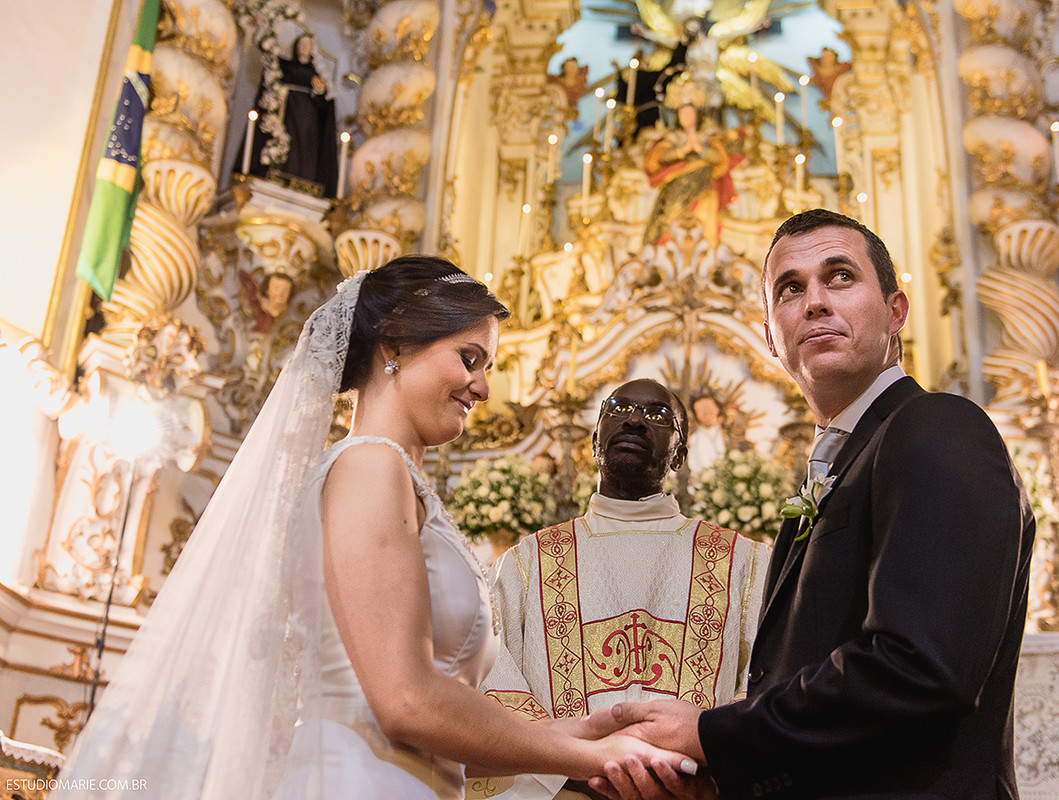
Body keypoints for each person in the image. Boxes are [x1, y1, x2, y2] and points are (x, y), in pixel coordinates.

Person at [52, 257, 693, 800]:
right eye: (469, 358)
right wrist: (592, 759)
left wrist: (580, 731)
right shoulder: (369, 467)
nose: (482, 387)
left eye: (487, 365)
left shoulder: (391, 478)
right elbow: (407, 702)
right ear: (393, 345)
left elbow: (438, 716)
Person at [591, 209, 1036, 800]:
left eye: (841, 277)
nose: (816, 301)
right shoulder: (844, 463)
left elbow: (921, 671)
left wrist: (712, 733)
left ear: (895, 312)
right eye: (791, 288)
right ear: (772, 338)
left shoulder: (936, 428)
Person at [477, 378, 769, 800]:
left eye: (657, 415)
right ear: (595, 439)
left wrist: (701, 759)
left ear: (680, 455)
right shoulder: (526, 563)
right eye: (617, 408)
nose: (633, 420)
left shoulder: (742, 561)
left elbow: (769, 677)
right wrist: (574, 767)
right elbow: (489, 672)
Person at [244, 33, 340, 196]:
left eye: (308, 45)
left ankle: (303, 177)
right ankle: (281, 172)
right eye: (302, 44)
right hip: (287, 112)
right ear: (295, 46)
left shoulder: (316, 73)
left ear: (312, 50)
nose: (304, 48)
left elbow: (325, 106)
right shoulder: (285, 67)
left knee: (305, 144)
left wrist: (320, 93)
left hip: (308, 117)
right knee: (287, 142)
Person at [642, 102, 742, 247]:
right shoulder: (673, 137)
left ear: (697, 115)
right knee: (670, 219)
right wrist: (682, 151)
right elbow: (659, 159)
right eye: (683, 114)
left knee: (705, 222)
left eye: (690, 113)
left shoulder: (708, 137)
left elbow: (720, 160)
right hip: (678, 186)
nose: (687, 117)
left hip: (704, 186)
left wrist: (700, 150)